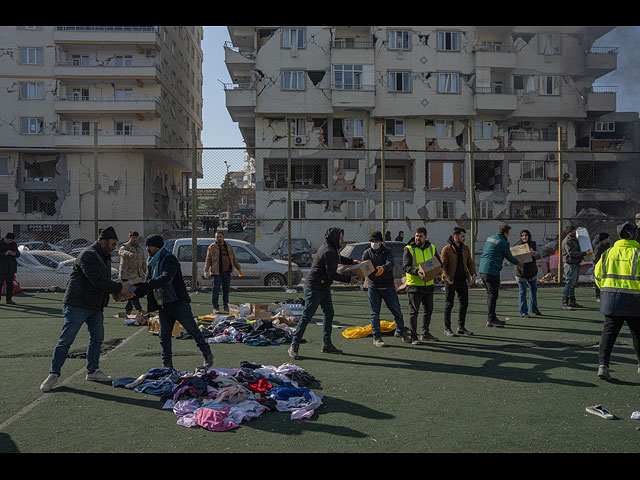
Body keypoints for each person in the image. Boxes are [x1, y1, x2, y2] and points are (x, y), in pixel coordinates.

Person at [40, 227, 133, 392]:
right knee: (66, 340)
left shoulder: (104, 256)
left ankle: (92, 371)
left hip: (95, 306)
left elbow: (103, 280)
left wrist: (115, 289)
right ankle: (53, 374)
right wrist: (118, 289)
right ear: (103, 241)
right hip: (78, 304)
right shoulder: (89, 255)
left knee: (97, 338)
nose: (114, 247)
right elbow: (96, 280)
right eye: (112, 244)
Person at [136, 234, 213, 370]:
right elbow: (148, 283)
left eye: (150, 246)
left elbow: (166, 278)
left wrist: (147, 285)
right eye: (146, 246)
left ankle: (207, 355)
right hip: (163, 304)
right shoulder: (152, 262)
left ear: (157, 246)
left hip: (177, 303)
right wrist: (133, 292)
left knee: (193, 330)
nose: (147, 248)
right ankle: (167, 363)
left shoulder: (169, 259)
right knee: (164, 335)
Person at [288, 227, 359, 359]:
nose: (342, 240)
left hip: (323, 287)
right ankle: (294, 345)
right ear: (334, 238)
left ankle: (327, 345)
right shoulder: (328, 251)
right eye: (341, 238)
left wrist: (352, 261)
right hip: (314, 288)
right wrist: (349, 279)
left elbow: (337, 258)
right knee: (306, 317)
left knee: (329, 313)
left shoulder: (329, 247)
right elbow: (332, 274)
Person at [593, 221, 640, 381]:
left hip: (611, 300)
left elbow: (597, 275)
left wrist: (606, 290)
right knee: (637, 334)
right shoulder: (638, 253)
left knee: (608, 334)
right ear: (635, 235)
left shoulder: (608, 253)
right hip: (635, 300)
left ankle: (603, 366)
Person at [362, 231, 412, 347]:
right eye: (372, 241)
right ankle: (377, 337)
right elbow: (365, 268)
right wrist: (370, 274)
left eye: (377, 241)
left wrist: (383, 269)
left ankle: (400, 332)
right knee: (375, 314)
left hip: (388, 287)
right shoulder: (367, 253)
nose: (374, 243)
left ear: (381, 241)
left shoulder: (387, 251)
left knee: (397, 311)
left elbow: (390, 263)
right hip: (374, 288)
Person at [478, 223, 523, 328]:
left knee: (490, 295)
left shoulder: (489, 238)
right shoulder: (503, 242)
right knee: (493, 296)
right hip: (492, 271)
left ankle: (492, 318)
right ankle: (491, 319)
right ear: (505, 233)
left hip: (482, 269)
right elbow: (510, 257)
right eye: (508, 233)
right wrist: (519, 262)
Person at [403, 227, 441, 343]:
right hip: (414, 286)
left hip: (428, 285)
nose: (418, 238)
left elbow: (438, 262)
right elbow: (405, 267)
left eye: (420, 236)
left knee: (428, 310)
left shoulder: (432, 248)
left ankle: (425, 333)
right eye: (416, 236)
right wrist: (417, 272)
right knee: (414, 312)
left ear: (425, 237)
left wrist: (440, 270)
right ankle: (414, 336)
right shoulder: (409, 249)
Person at [440, 227, 476, 336]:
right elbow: (443, 265)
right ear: (456, 236)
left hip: (462, 280)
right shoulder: (446, 249)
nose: (464, 238)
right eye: (462, 236)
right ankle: (447, 328)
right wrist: (445, 277)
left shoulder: (465, 248)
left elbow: (469, 262)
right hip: (450, 280)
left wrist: (473, 274)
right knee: (449, 304)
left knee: (464, 303)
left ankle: (461, 327)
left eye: (464, 236)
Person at [203, 231, 243, 314]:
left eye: (220, 236)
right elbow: (208, 259)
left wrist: (238, 268)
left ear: (223, 237)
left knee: (226, 290)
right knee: (215, 291)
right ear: (215, 238)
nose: (219, 238)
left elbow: (234, 258)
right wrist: (206, 270)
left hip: (227, 273)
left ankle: (226, 306)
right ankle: (215, 307)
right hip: (216, 273)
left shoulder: (228, 246)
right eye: (217, 237)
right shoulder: (212, 247)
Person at [514, 230, 542, 318]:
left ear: (529, 236)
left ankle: (534, 309)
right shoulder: (518, 246)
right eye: (522, 235)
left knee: (533, 290)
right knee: (522, 292)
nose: (524, 237)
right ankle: (523, 312)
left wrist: (534, 253)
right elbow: (513, 258)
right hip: (521, 272)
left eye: (526, 235)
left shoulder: (533, 244)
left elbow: (540, 255)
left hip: (532, 272)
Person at [118, 231, 146, 314]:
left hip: (136, 276)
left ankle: (128, 307)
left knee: (134, 292)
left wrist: (146, 271)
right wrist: (128, 254)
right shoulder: (125, 246)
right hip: (126, 275)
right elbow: (121, 252)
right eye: (133, 238)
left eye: (136, 237)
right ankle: (138, 308)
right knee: (131, 292)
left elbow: (143, 261)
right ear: (129, 238)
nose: (135, 239)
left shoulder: (140, 249)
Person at [561, 225, 587, 310]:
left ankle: (572, 301)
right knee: (569, 283)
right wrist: (583, 253)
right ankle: (564, 302)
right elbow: (571, 253)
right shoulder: (567, 241)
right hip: (570, 264)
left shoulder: (574, 239)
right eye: (573, 230)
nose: (575, 231)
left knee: (572, 284)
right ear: (569, 232)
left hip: (575, 263)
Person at [0, 232, 20, 305]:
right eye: (9, 240)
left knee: (10, 285)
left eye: (11, 240)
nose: (10, 242)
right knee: (0, 284)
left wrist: (14, 254)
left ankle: (9, 299)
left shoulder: (14, 244)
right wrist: (5, 253)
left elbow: (18, 254)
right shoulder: (0, 243)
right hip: (1, 268)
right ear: (5, 238)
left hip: (10, 268)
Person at [593, 232, 611, 303]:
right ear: (605, 239)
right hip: (599, 266)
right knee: (598, 280)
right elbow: (595, 257)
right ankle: (598, 296)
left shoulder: (608, 245)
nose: (609, 239)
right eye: (608, 238)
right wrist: (595, 267)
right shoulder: (599, 246)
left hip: (606, 265)